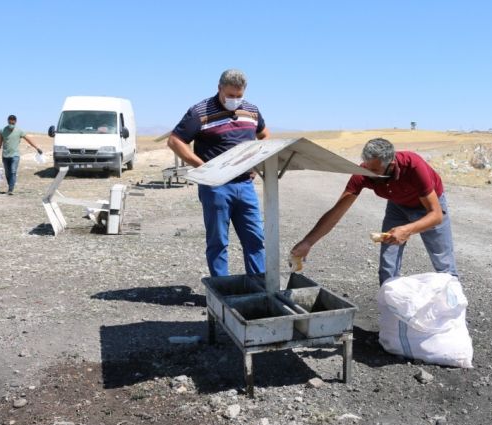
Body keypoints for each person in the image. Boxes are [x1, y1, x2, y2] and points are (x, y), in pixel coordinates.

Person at [291, 138, 458, 286]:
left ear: (391, 166)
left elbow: (436, 215)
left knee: (443, 263)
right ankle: (391, 314)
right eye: (366, 168)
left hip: (427, 208)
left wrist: (407, 230)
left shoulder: (413, 165)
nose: (368, 174)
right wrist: (308, 242)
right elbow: (337, 212)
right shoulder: (364, 172)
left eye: (375, 171)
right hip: (398, 206)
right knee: (388, 265)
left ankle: (453, 314)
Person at [168, 69, 270, 277]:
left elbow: (265, 135)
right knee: (218, 241)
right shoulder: (200, 111)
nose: (234, 100)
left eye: (238, 96)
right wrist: (203, 167)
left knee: (255, 238)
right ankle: (222, 290)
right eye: (230, 96)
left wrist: (256, 164)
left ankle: (259, 286)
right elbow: (175, 141)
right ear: (219, 88)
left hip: (245, 185)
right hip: (215, 187)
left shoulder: (251, 111)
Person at [0, 114, 43, 195]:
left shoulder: (19, 131)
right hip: (5, 155)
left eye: (13, 123)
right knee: (7, 173)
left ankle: (10, 189)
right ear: (8, 122)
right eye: (10, 123)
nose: (11, 125)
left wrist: (37, 148)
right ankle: (11, 185)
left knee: (13, 171)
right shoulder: (2, 130)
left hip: (15, 156)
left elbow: (29, 140)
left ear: (15, 122)